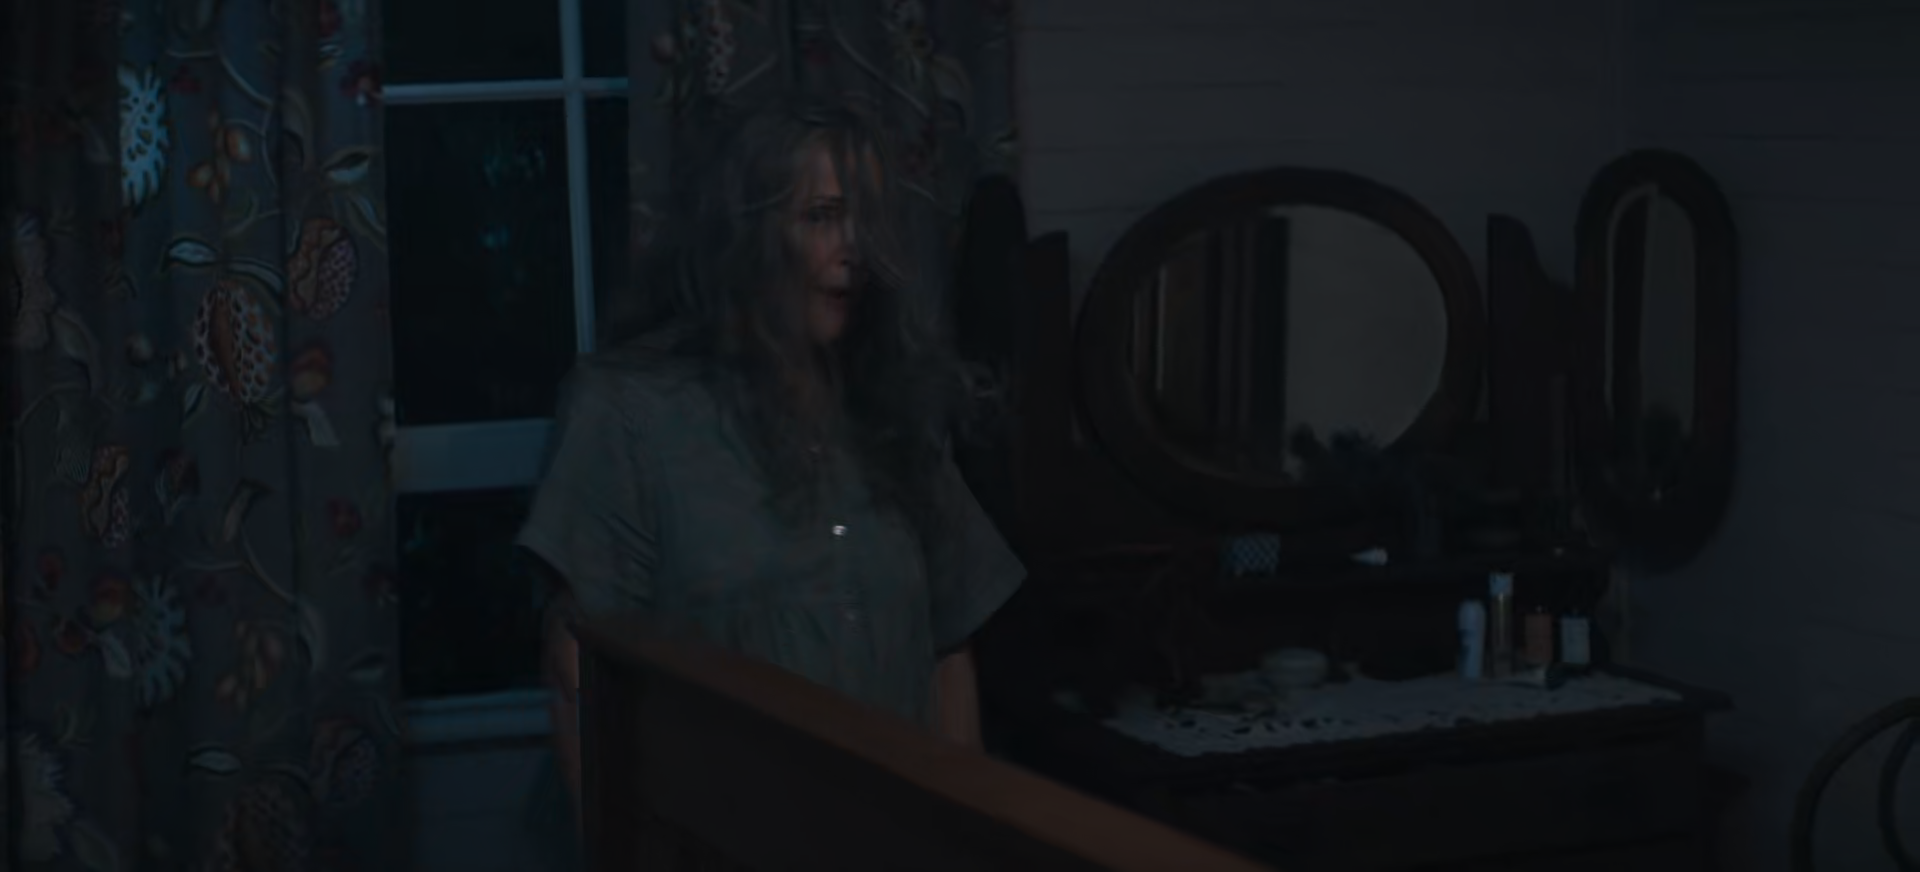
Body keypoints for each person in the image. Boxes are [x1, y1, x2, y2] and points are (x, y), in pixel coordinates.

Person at [513, 97, 1026, 858]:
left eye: (867, 221)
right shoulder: (629, 411)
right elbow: (577, 676)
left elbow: (949, 647)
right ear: (744, 236)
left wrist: (967, 844)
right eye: (822, 217)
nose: (855, 249)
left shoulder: (892, 410)